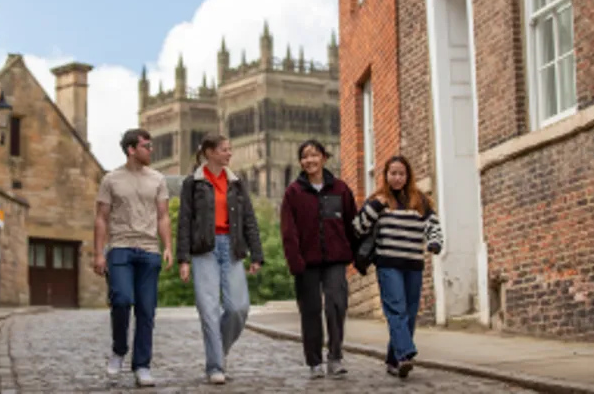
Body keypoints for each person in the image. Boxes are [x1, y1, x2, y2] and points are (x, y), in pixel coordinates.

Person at [176, 133, 263, 385]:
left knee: (238, 308)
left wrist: (256, 254)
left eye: (229, 149)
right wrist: (183, 259)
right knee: (209, 309)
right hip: (204, 249)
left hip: (232, 247)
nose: (229, 153)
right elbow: (184, 221)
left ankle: (217, 352)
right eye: (225, 149)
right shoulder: (192, 183)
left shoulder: (236, 183)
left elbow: (249, 219)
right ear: (210, 152)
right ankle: (215, 366)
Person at [93, 128, 173, 387]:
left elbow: (163, 216)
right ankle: (119, 349)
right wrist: (98, 253)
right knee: (121, 300)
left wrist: (168, 246)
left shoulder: (158, 179)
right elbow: (101, 218)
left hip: (149, 250)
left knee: (146, 311)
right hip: (120, 248)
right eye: (146, 146)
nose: (151, 150)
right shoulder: (111, 179)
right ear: (131, 149)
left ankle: (142, 366)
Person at [352, 155, 443, 379]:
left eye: (401, 174)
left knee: (410, 313)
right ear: (386, 175)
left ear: (408, 176)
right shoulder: (378, 201)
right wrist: (375, 207)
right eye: (393, 173)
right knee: (396, 310)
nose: (397, 178)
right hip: (388, 265)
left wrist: (434, 242)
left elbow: (433, 225)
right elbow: (357, 228)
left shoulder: (419, 201)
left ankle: (394, 361)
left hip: (413, 265)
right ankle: (405, 354)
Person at [280, 139, 359, 379]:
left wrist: (357, 255)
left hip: (336, 259)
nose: (310, 160)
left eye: (314, 155)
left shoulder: (340, 189)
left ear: (324, 158)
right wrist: (295, 262)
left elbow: (352, 224)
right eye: (305, 156)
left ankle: (335, 357)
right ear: (300, 162)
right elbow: (288, 232)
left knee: (336, 305)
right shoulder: (293, 193)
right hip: (306, 262)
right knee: (310, 310)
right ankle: (314, 361)